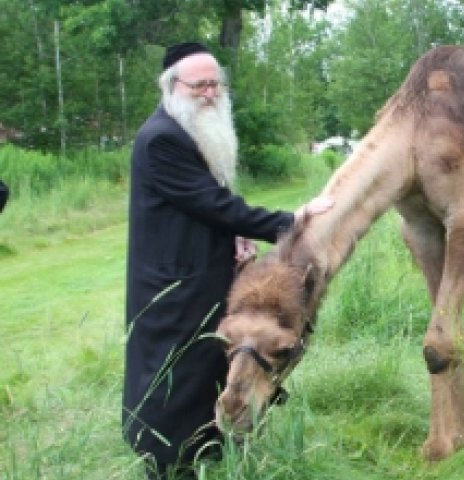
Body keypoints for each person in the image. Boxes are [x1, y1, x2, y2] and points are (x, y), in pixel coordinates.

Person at [122, 42, 331, 479]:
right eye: (198, 85)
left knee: (203, 366)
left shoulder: (185, 131)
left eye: (215, 84)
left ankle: (207, 450)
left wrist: (232, 234)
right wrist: (291, 220)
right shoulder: (162, 138)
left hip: (194, 272)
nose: (210, 94)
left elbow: (207, 204)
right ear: (172, 86)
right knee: (171, 372)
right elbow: (211, 203)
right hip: (172, 282)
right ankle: (166, 464)